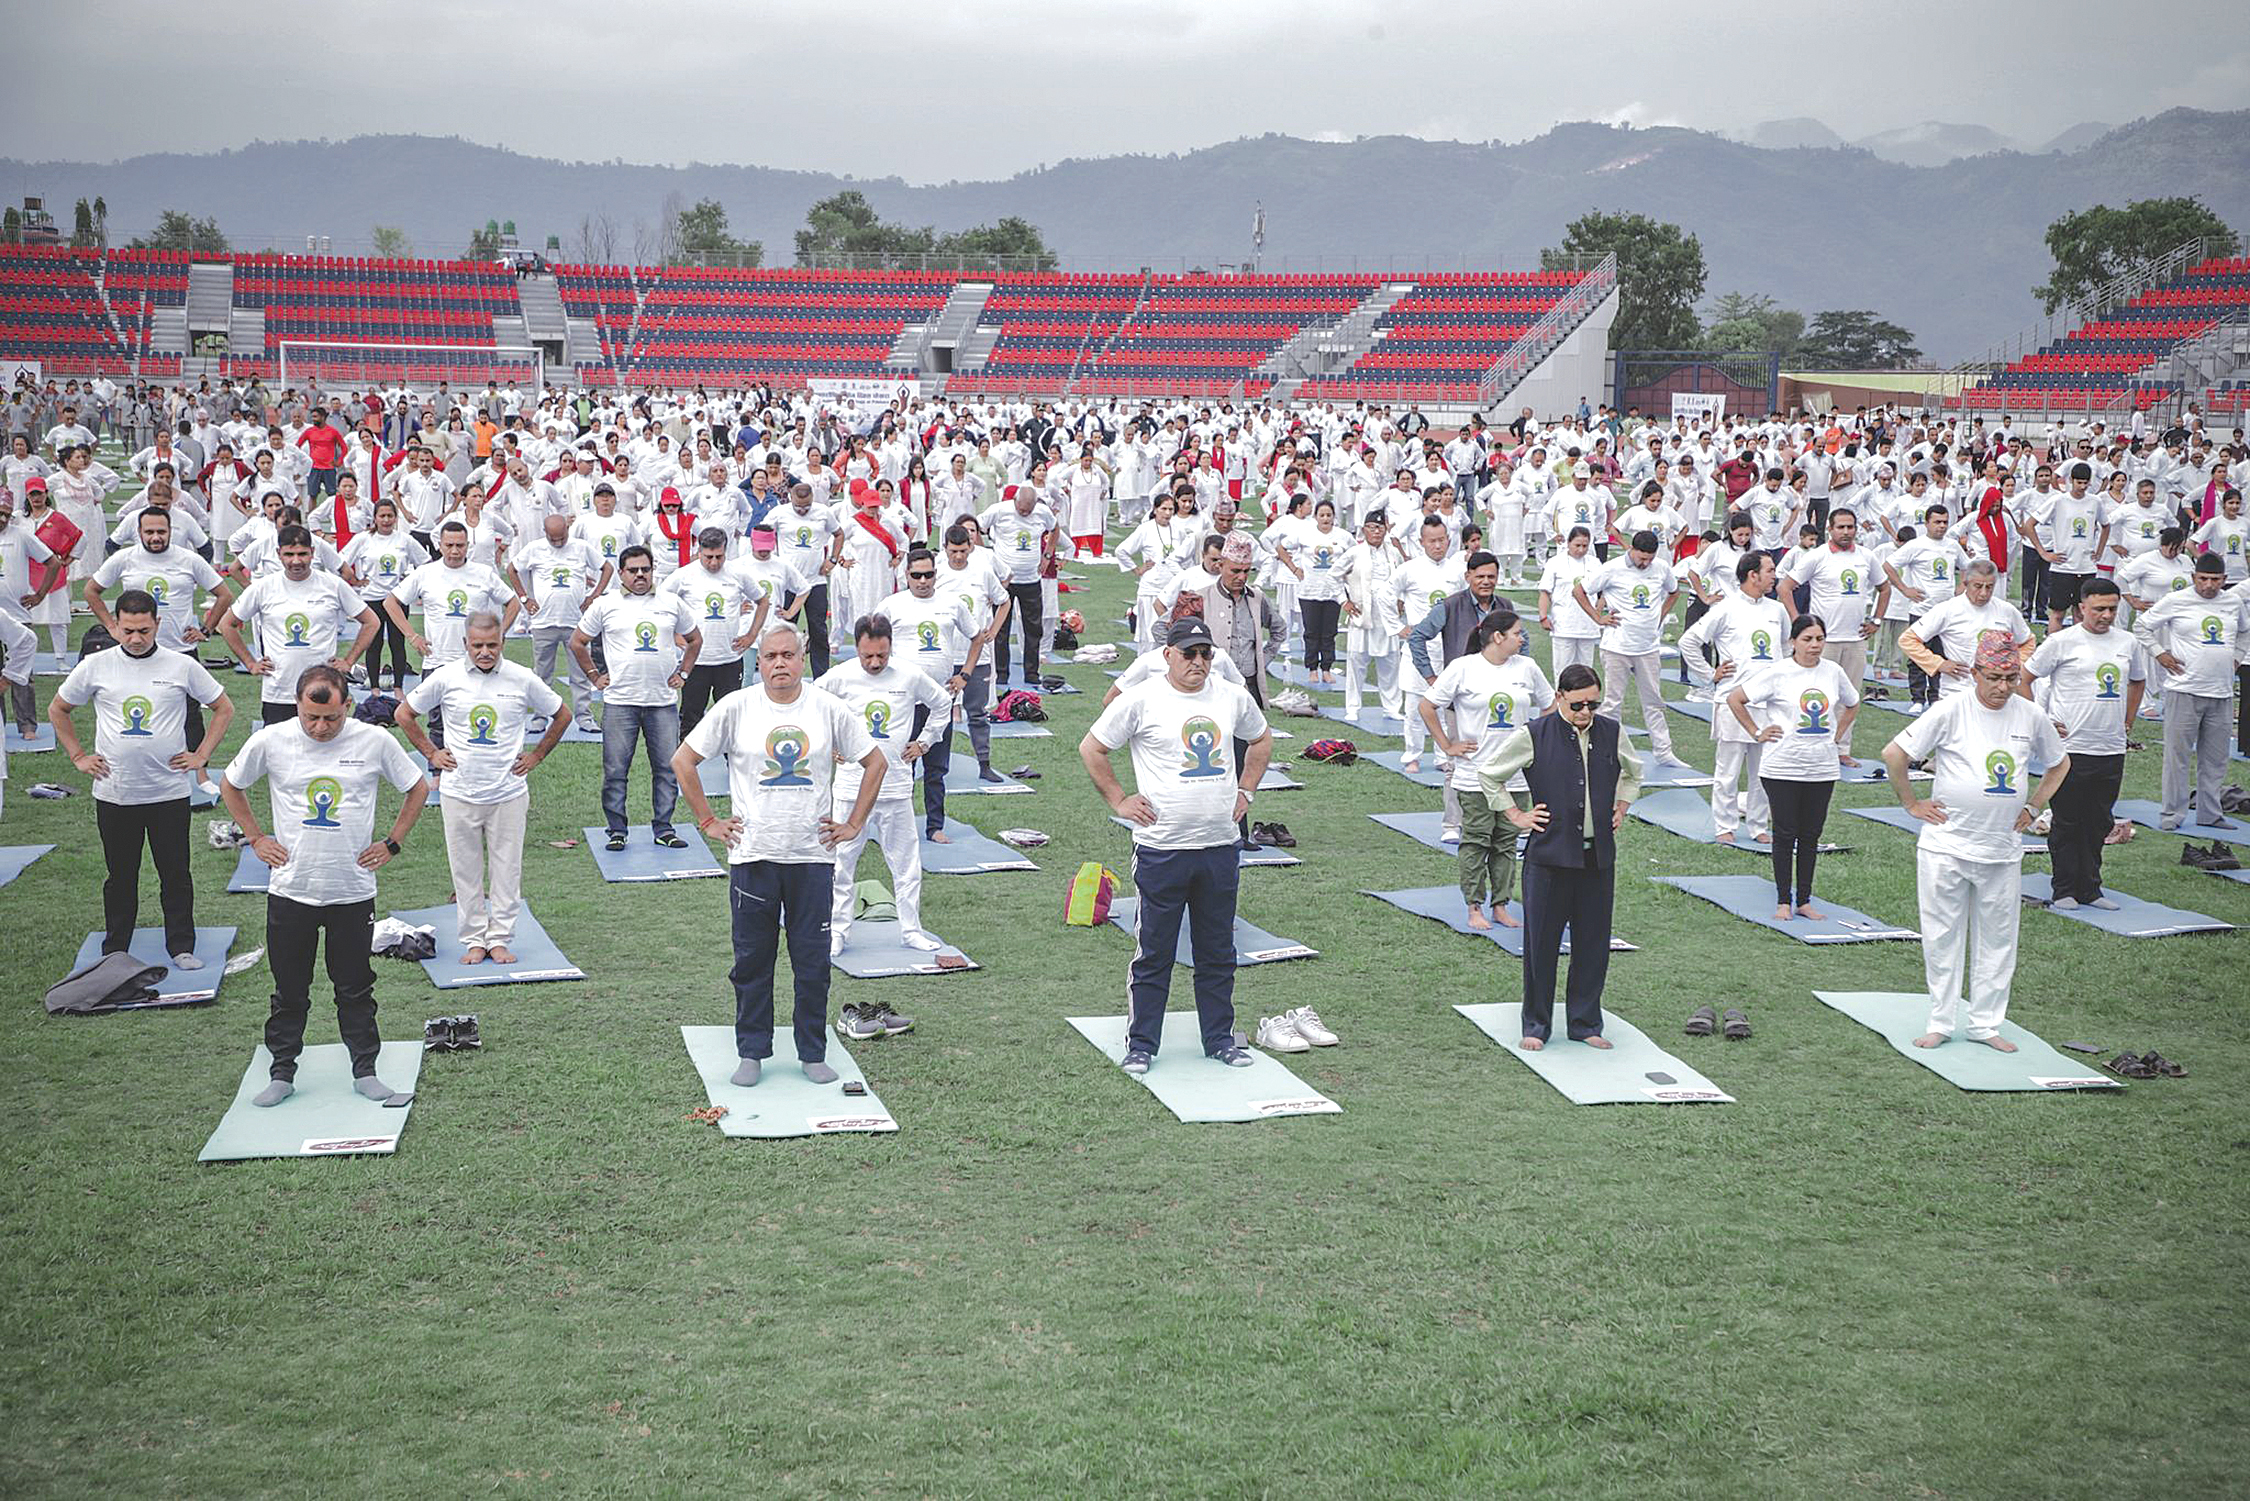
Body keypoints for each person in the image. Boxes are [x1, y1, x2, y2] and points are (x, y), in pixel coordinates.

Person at [672, 628, 885, 1088]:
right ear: (758, 662)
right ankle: (752, 1051)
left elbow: (876, 762)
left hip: (812, 858)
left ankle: (812, 1051)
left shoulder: (828, 708)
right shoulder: (736, 707)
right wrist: (709, 822)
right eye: (770, 656)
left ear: (803, 659)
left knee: (812, 962)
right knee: (752, 960)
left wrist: (852, 825)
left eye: (788, 654)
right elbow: (683, 761)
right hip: (753, 856)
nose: (780, 664)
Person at [220, 665, 430, 1107]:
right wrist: (257, 838)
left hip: (351, 891)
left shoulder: (374, 741)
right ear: (297, 705)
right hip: (292, 889)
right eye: (311, 717)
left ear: (347, 706)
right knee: (289, 989)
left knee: (355, 986)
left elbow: (418, 787)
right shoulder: (271, 740)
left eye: (331, 718)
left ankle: (365, 1070)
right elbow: (230, 784)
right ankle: (282, 1072)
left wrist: (392, 843)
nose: (320, 727)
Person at [1081, 617, 1279, 1074]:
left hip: (1219, 846)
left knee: (1217, 950)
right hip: (1162, 847)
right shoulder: (1141, 699)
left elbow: (1262, 738)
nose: (1198, 662)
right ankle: (1142, 1043)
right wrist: (1119, 799)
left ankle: (1219, 1039)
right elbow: (1092, 748)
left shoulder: (1230, 696)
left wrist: (1246, 790)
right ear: (1167, 655)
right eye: (1189, 653)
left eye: (1205, 653)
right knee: (1155, 951)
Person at [1881, 632, 2068, 1051]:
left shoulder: (2030, 715)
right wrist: (1911, 803)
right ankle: (1941, 1021)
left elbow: (2059, 763)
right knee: (1942, 937)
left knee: (1998, 940)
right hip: (1946, 847)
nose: (2003, 687)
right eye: (1994, 677)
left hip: (2001, 850)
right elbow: (1894, 754)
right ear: (1976, 674)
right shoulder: (1951, 710)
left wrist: (2036, 805)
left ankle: (1985, 1024)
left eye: (2010, 677)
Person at [49, 589, 234, 967]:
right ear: (115, 625)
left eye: (144, 631)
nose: (136, 639)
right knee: (120, 876)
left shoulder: (179, 665)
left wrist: (201, 756)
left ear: (157, 625)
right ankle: (116, 948)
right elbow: (58, 708)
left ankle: (181, 946)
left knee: (176, 875)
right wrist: (79, 756)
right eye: (128, 630)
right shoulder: (96, 665)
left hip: (167, 792)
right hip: (116, 793)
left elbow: (223, 707)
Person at [1480, 664, 1643, 1050]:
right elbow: (1489, 774)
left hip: (1597, 858)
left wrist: (1622, 806)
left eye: (1593, 704)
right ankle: (1535, 1026)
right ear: (1559, 698)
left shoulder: (1612, 733)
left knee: (1593, 943)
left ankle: (1586, 1023)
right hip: (1549, 859)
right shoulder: (1534, 735)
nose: (1586, 712)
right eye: (1577, 705)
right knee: (1541, 944)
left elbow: (1634, 773)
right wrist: (1517, 815)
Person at [395, 613, 568, 963]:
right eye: (478, 646)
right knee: (465, 869)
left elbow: (562, 713)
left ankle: (500, 938)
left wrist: (537, 755)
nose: (485, 652)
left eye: (492, 645)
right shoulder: (446, 677)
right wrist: (431, 753)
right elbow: (404, 714)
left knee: (507, 869)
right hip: (460, 792)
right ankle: (474, 939)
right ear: (465, 644)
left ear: (502, 642)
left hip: (508, 793)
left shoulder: (522, 678)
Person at [816, 614, 952, 955]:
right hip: (850, 788)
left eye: (881, 655)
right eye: (867, 656)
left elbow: (942, 703)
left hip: (895, 787)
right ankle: (837, 932)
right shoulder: (840, 676)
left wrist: (925, 742)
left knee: (906, 864)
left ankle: (911, 930)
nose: (875, 662)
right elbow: (811, 706)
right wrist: (828, 742)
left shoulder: (908, 674)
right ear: (856, 649)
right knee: (841, 863)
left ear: (891, 647)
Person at [1422, 607, 1553, 930]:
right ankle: (1474, 905)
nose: (1522, 639)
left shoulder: (1528, 667)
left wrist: (1536, 737)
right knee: (1477, 840)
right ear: (1498, 637)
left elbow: (1549, 705)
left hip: (1517, 776)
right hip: (1475, 773)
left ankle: (1501, 904)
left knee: (1507, 842)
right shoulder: (1463, 668)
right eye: (1517, 633)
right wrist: (1447, 746)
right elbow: (1427, 706)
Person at [2022, 578, 2146, 907]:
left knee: (2099, 821)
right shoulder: (2061, 642)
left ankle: (2090, 888)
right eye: (2099, 609)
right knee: (2067, 820)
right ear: (2081, 609)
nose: (2106, 615)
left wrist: (2128, 720)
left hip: (2110, 747)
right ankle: (2064, 888)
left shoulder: (2128, 642)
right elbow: (2025, 679)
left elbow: (2137, 680)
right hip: (2070, 748)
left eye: (2112, 609)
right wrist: (2041, 720)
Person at [1727, 614, 1859, 921]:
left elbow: (1852, 703)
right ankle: (1783, 900)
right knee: (1785, 834)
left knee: (1811, 834)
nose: (1814, 646)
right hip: (1782, 767)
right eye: (1807, 639)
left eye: (1819, 639)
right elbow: (1737, 699)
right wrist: (1756, 733)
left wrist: (1837, 736)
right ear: (1793, 642)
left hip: (1822, 768)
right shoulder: (1778, 673)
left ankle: (1805, 899)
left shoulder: (1834, 672)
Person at [571, 543, 703, 853]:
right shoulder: (605, 604)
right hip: (620, 702)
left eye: (645, 569)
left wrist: (683, 673)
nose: (640, 575)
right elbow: (578, 642)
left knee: (667, 768)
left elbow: (696, 639)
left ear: (653, 570)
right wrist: (594, 676)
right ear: (621, 574)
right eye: (633, 570)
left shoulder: (671, 602)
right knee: (616, 770)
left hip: (662, 702)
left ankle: (664, 827)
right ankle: (617, 830)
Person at [1679, 550, 1792, 843]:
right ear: (1752, 575)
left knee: (1763, 771)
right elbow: (1689, 641)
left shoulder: (1776, 610)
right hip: (1731, 699)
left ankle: (1758, 826)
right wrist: (1709, 674)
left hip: (1769, 704)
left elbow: (1786, 648)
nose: (1774, 575)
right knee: (1728, 771)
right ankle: (1724, 826)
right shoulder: (1725, 608)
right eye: (1769, 570)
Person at [216, 524, 379, 726]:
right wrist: (250, 663)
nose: (296, 561)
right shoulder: (263, 587)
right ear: (279, 554)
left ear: (312, 552)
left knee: (325, 752)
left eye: (302, 554)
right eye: (289, 554)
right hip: (279, 692)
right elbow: (227, 624)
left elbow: (371, 621)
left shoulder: (332, 585)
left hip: (325, 691)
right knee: (279, 755)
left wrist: (348, 661)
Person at [2137, 552, 2248, 830]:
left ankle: (2210, 813)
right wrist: (2160, 654)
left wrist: (2236, 656)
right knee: (2178, 757)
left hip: (2221, 692)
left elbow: (2245, 631)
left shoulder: (2233, 602)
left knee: (2215, 759)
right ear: (2193, 578)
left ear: (2224, 580)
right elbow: (2142, 626)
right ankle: (2172, 814)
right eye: (2203, 579)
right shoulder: (2177, 600)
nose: (2209, 585)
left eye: (2215, 580)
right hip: (2184, 689)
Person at [1573, 528, 1679, 762]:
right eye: (1642, 558)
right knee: (1612, 703)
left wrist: (1660, 615)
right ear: (1632, 549)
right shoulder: (1611, 568)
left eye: (1650, 559)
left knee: (1654, 702)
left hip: (1648, 647)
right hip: (1616, 647)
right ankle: (1605, 751)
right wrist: (1597, 617)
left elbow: (1674, 592)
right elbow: (1579, 591)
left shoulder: (1661, 567)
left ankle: (1664, 752)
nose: (1645, 563)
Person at [663, 527, 768, 737]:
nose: (713, 562)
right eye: (708, 557)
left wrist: (751, 635)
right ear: (699, 551)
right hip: (696, 662)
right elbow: (661, 604)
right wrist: (674, 635)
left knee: (732, 719)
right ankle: (686, 767)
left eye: (719, 557)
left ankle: (734, 766)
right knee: (691, 716)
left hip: (729, 659)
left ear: (725, 552)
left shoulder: (738, 573)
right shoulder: (684, 575)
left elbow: (763, 600)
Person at [979, 482, 1059, 685]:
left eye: (1028, 510)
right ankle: (1001, 673)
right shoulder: (1000, 510)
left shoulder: (1042, 512)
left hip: (1031, 579)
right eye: (1021, 509)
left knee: (1033, 629)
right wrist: (986, 555)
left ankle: (1032, 673)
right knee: (1000, 629)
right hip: (1004, 581)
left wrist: (1047, 554)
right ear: (1015, 501)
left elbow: (1055, 529)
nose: (1024, 513)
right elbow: (976, 527)